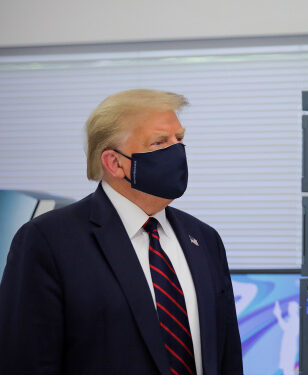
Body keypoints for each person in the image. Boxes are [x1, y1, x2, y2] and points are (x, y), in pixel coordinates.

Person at [0, 89, 243, 375]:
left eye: (180, 139)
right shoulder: (48, 241)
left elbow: (227, 356)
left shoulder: (204, 239)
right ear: (114, 163)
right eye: (159, 142)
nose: (177, 151)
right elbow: (24, 362)